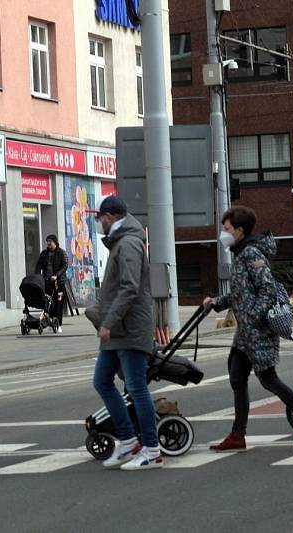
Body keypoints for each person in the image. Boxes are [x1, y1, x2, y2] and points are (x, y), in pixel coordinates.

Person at [203, 206, 293, 451]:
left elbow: (267, 289)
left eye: (226, 228)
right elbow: (242, 293)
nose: (222, 233)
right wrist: (217, 302)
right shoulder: (241, 253)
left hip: (257, 331)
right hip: (245, 334)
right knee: (237, 378)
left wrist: (252, 317)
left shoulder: (251, 254)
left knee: (269, 379)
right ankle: (238, 434)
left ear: (239, 230)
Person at [88, 196, 161, 470]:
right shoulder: (122, 241)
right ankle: (129, 442)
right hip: (119, 330)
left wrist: (108, 321)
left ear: (110, 216)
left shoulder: (128, 243)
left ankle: (152, 450)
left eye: (100, 218)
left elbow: (129, 288)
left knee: (137, 388)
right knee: (103, 381)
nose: (99, 223)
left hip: (129, 329)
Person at [35, 234, 68, 332]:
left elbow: (65, 265)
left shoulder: (61, 253)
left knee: (58, 303)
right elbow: (38, 265)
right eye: (47, 241)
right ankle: (50, 323)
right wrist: (37, 276)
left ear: (55, 242)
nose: (48, 243)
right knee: (49, 303)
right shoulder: (44, 254)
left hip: (59, 282)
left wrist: (56, 275)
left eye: (50, 241)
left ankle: (58, 324)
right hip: (47, 282)